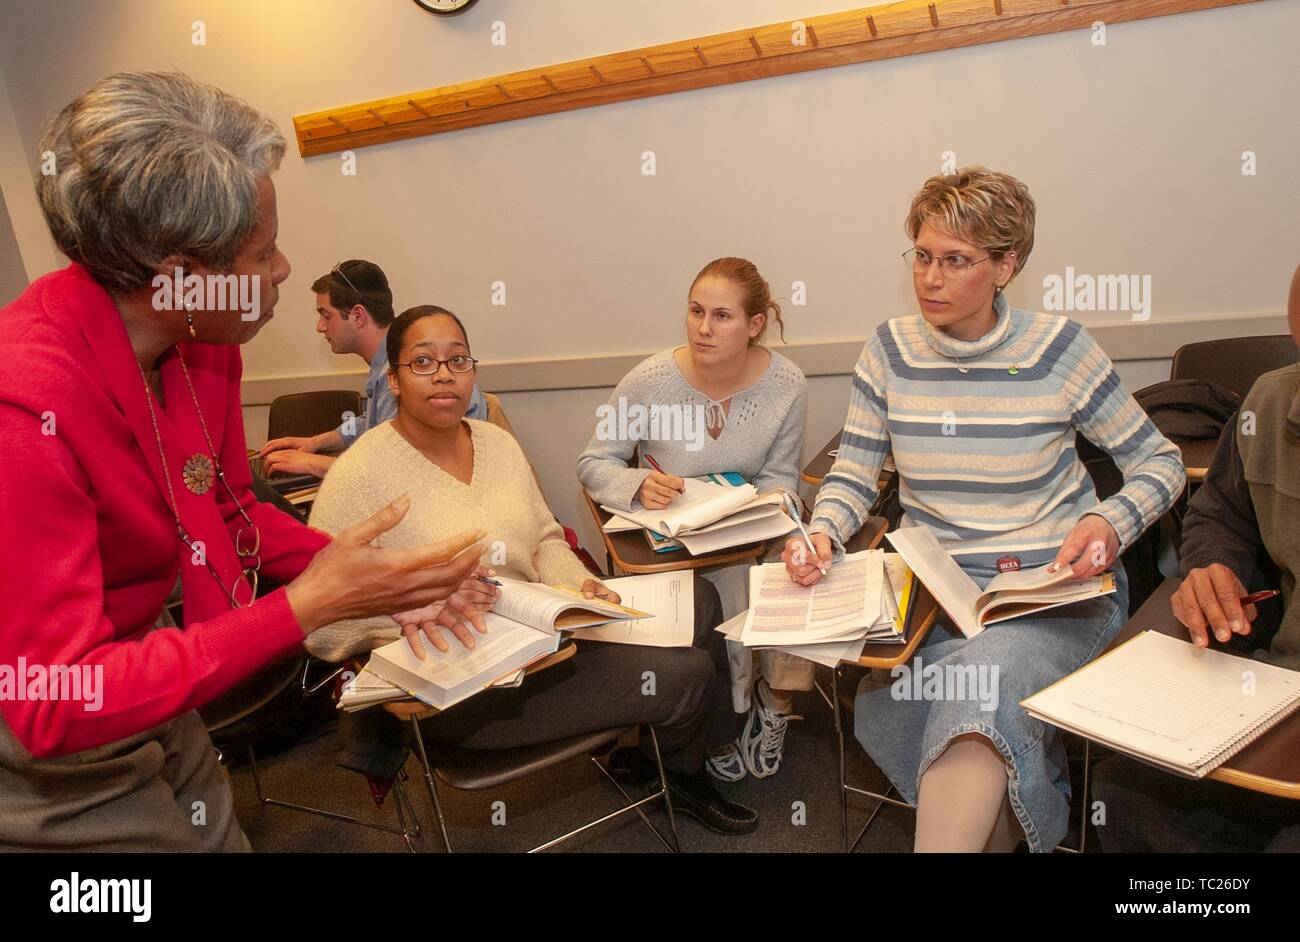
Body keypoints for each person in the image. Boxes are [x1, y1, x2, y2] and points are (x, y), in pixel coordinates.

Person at [0, 71, 490, 851]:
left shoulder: (203, 346)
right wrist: (306, 607)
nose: (286, 270)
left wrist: (382, 583)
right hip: (49, 740)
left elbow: (231, 511)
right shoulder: (23, 408)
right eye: (261, 253)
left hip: (159, 684)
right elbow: (56, 699)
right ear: (178, 274)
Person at [784, 167, 1185, 852]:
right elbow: (853, 472)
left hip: (1053, 591)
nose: (930, 278)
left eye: (956, 261)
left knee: (980, 694)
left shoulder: (1058, 349)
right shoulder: (889, 350)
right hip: (938, 595)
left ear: (1007, 265)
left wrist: (1106, 523)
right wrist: (822, 532)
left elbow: (1162, 462)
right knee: (911, 713)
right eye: (923, 256)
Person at [305, 305, 759, 834]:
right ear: (394, 379)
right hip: (471, 686)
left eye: (458, 359)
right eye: (423, 362)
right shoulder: (360, 474)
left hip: (541, 631)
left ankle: (655, 754)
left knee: (702, 598)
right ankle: (681, 772)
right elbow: (322, 625)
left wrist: (578, 585)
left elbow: (544, 538)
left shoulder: (495, 444)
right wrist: (408, 612)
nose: (445, 373)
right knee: (689, 676)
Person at [1092, 262, 1300, 852]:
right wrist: (1215, 567)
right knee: (1123, 794)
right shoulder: (1272, 400)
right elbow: (1221, 513)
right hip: (1278, 689)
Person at [577, 257, 809, 782]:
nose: (703, 327)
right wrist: (637, 484)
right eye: (696, 311)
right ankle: (718, 724)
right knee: (726, 590)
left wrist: (773, 505)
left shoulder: (787, 383)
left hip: (745, 534)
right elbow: (594, 462)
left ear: (754, 325)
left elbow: (780, 475)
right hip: (675, 545)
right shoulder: (650, 382)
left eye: (722, 316)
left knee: (801, 569)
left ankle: (772, 705)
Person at [258, 260, 488, 478]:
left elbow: (396, 470)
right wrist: (316, 443)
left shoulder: (403, 371)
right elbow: (370, 422)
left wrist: (314, 464)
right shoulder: (386, 362)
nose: (320, 327)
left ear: (357, 315)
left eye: (325, 315)